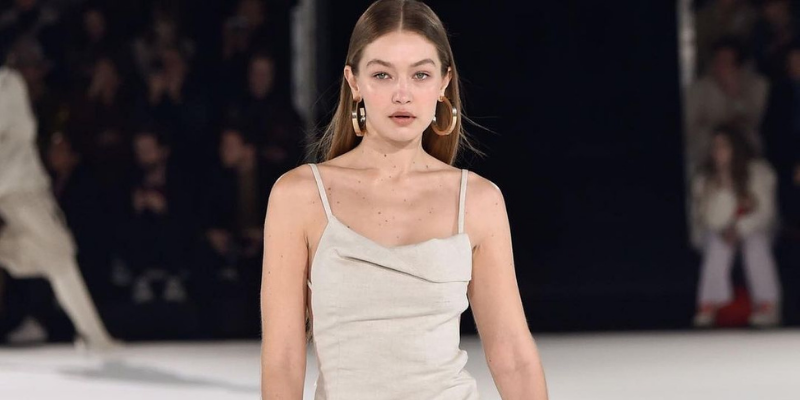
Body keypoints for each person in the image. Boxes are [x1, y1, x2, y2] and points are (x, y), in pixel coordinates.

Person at [259, 1, 548, 398]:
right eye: (382, 74)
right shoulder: (300, 196)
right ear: (354, 82)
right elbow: (282, 359)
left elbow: (512, 353)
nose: (402, 94)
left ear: (444, 83)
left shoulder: (478, 201)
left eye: (420, 75)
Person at [0, 64, 120, 350]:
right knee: (59, 254)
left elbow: (21, 132)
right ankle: (95, 336)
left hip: (23, 182)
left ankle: (94, 335)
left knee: (58, 255)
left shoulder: (8, 82)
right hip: (16, 185)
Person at [690, 124, 782, 328]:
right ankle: (709, 305)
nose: (717, 151)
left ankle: (767, 305)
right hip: (717, 232)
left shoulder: (759, 172)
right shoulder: (704, 179)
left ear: (736, 147)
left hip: (755, 230)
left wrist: (739, 228)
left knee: (755, 243)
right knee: (718, 244)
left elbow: (765, 213)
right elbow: (710, 220)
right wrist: (723, 182)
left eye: (723, 145)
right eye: (714, 146)